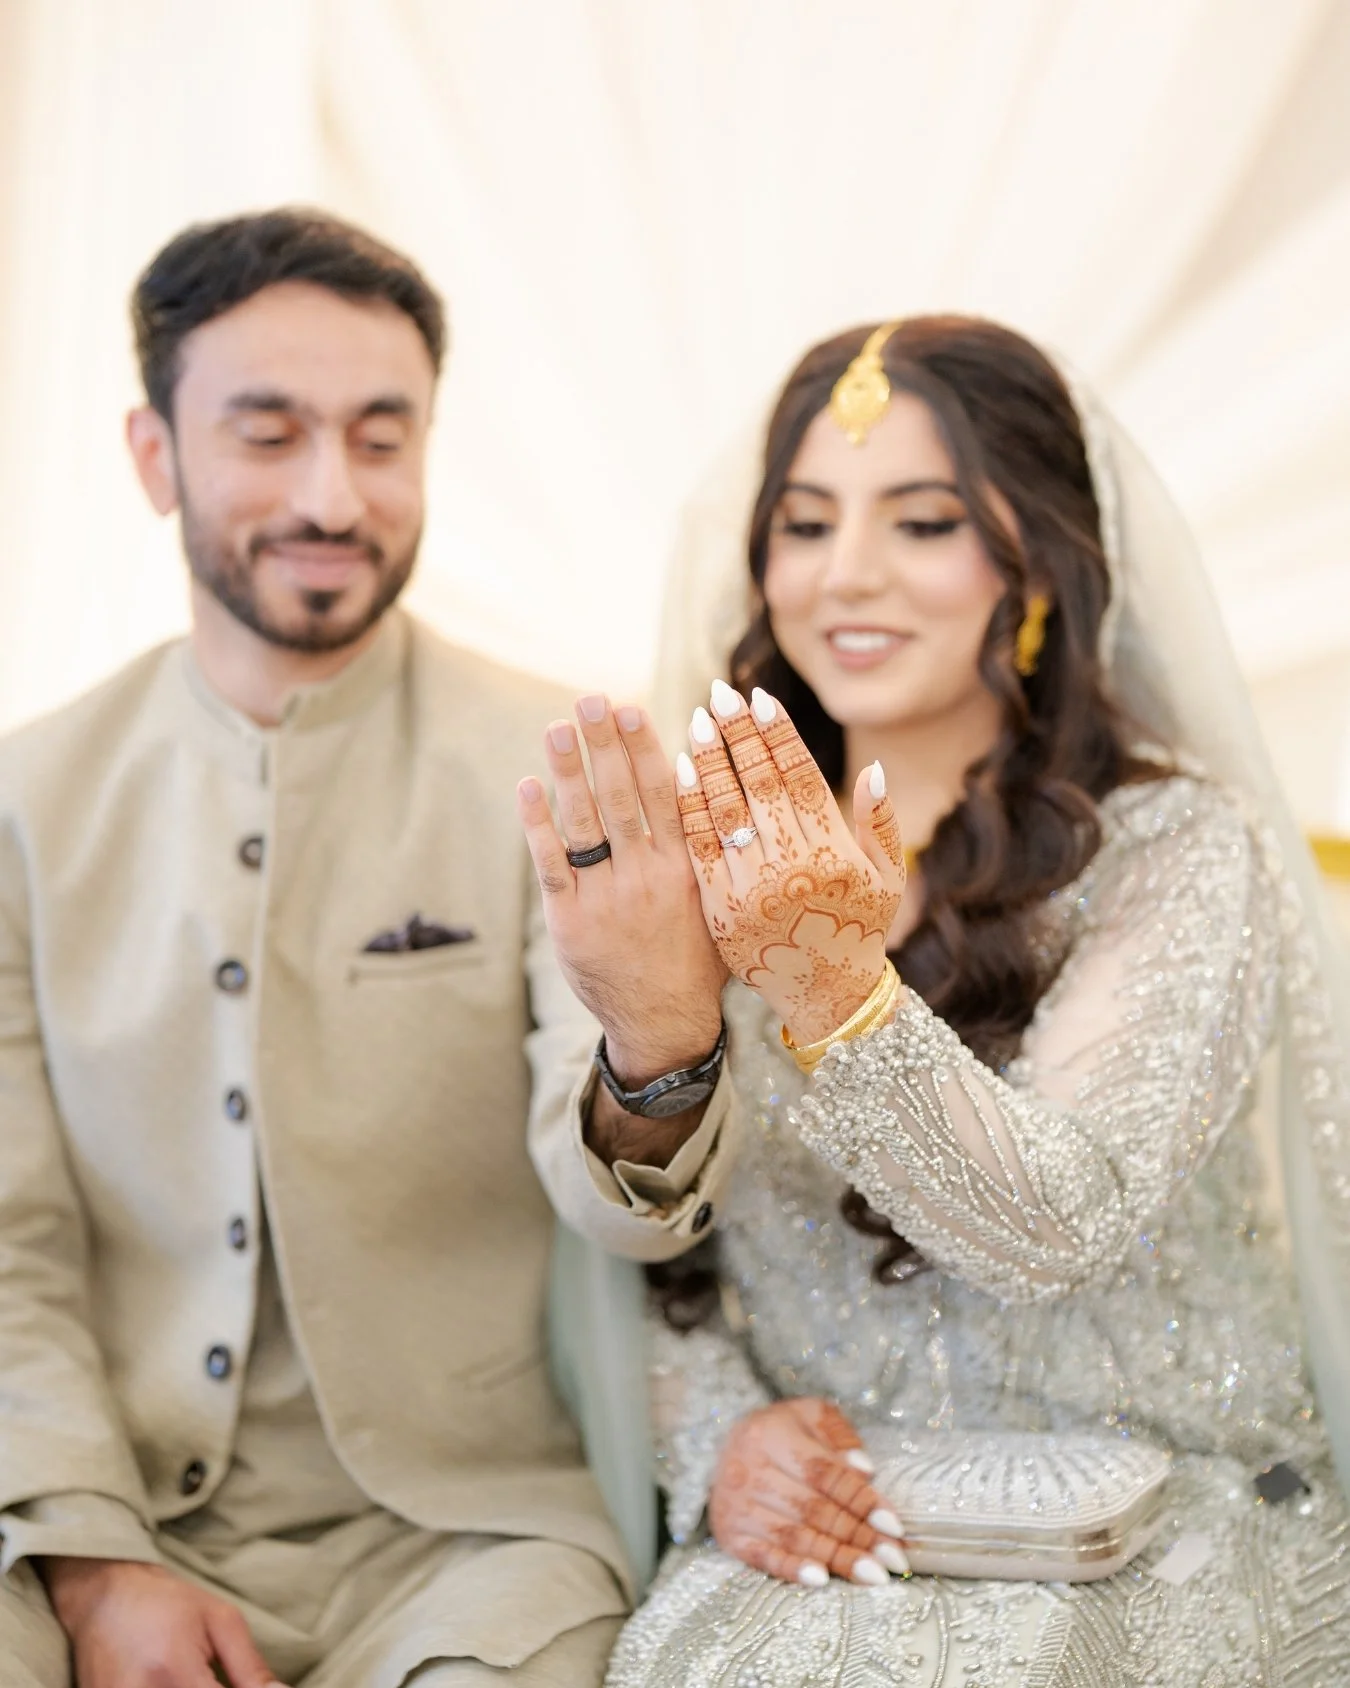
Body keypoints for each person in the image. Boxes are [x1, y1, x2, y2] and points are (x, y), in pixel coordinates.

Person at [0, 209, 737, 1688]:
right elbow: (10, 1244)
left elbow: (634, 1220)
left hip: (468, 1544)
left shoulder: (561, 766)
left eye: (380, 438)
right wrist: (94, 1571)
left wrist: (660, 1040)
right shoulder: (28, 799)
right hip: (99, 1515)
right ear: (156, 456)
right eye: (266, 435)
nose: (331, 495)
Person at [565, 316, 1350, 1685]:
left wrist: (830, 990)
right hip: (818, 1526)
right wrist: (720, 1446)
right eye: (803, 525)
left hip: (1143, 1518)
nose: (844, 577)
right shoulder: (686, 850)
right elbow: (620, 1251)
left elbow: (1058, 1227)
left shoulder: (1170, 849)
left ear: (1034, 564)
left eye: (921, 524)